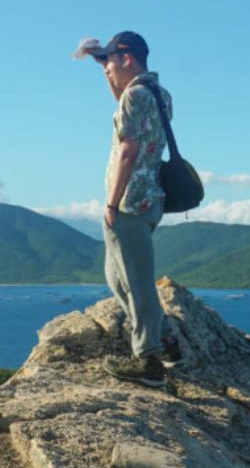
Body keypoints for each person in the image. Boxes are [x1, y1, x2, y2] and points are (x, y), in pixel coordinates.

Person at [73, 31, 182, 387]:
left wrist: (111, 201)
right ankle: (164, 338)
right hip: (152, 199)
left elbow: (127, 150)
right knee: (117, 278)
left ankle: (149, 359)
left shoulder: (136, 96)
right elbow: (123, 101)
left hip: (129, 202)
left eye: (111, 60)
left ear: (128, 58)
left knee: (136, 283)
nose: (107, 68)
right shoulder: (157, 94)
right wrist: (101, 65)